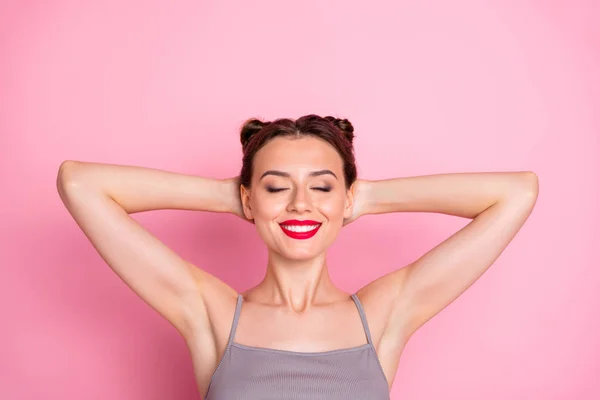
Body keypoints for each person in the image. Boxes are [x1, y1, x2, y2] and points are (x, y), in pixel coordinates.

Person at [56, 114, 539, 399]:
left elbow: (516, 193)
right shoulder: (212, 312)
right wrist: (239, 196)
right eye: (277, 187)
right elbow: (80, 184)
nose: (300, 204)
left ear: (346, 198)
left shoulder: (384, 313)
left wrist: (363, 197)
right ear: (249, 199)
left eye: (321, 187)